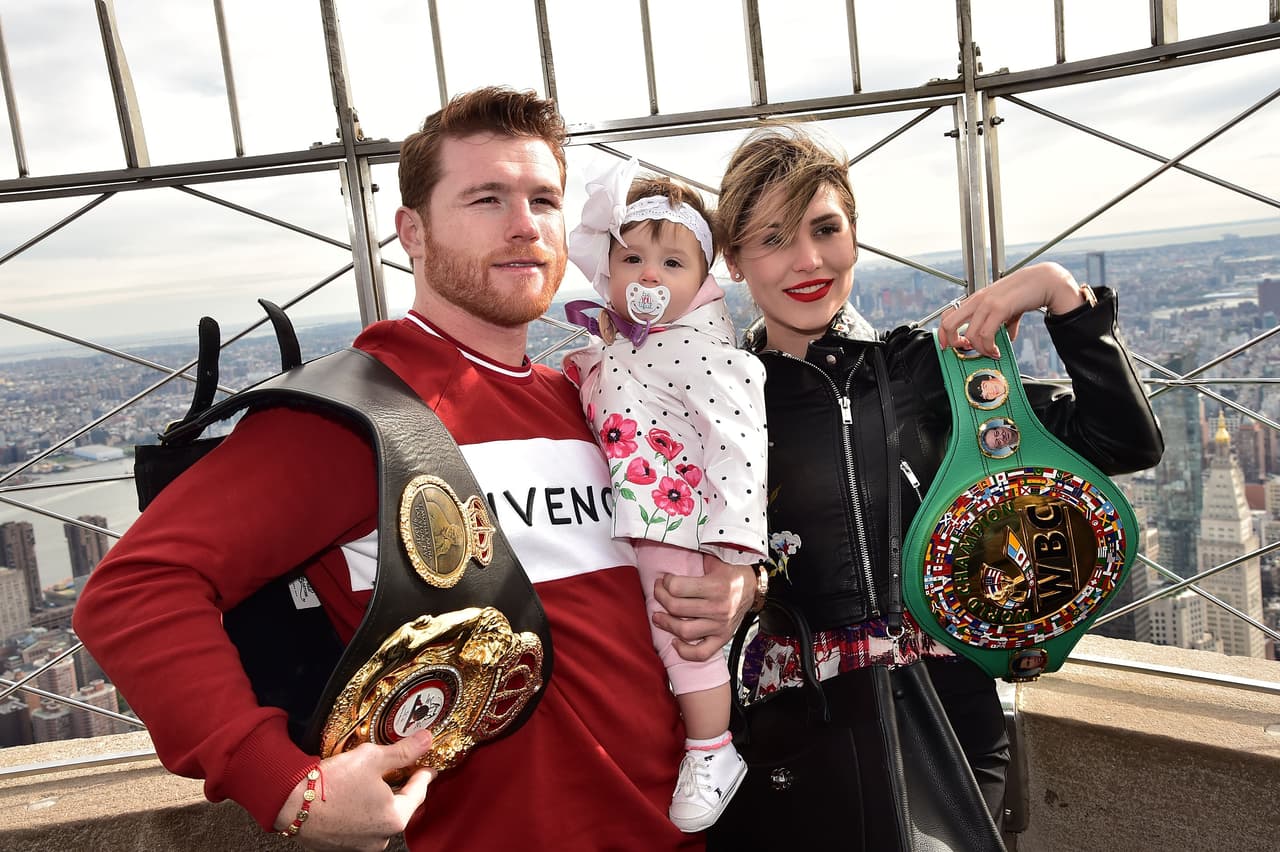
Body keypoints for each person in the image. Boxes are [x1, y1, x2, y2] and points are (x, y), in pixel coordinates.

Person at [73, 87, 753, 852]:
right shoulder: (354, 416)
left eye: (544, 199)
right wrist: (283, 784)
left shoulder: (587, 400)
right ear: (413, 232)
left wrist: (740, 579)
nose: (524, 225)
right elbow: (133, 591)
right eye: (486, 198)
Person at [705, 126, 1162, 844]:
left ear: (855, 234)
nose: (809, 260)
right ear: (733, 259)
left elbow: (1122, 442)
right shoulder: (717, 402)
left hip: (951, 713)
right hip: (798, 722)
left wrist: (1060, 296)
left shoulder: (925, 369)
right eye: (772, 238)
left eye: (826, 229)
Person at [561, 158, 767, 832]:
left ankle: (713, 750)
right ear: (608, 269)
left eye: (673, 263)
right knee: (657, 637)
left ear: (702, 281)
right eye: (633, 257)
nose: (650, 274)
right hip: (638, 517)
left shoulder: (702, 350)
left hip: (679, 521)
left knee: (686, 638)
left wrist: (734, 549)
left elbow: (739, 445)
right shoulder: (628, 342)